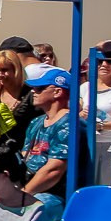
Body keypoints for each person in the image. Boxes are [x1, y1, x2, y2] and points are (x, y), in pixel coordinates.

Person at [22, 65, 80, 200]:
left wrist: (21, 196)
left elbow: (54, 170)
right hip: (30, 187)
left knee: (31, 210)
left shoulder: (69, 123)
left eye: (40, 88)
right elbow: (24, 158)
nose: (33, 92)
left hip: (54, 195)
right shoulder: (36, 122)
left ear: (57, 92)